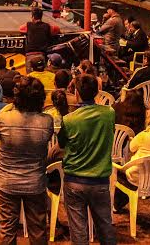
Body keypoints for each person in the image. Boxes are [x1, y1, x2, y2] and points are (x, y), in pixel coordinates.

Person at [0, 75, 55, 244]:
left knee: (7, 231)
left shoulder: (4, 117)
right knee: (38, 231)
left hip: (7, 182)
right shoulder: (46, 121)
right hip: (35, 183)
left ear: (16, 97)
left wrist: (13, 105)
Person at [58, 74, 116, 245]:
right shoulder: (109, 113)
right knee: (106, 226)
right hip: (100, 181)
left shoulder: (69, 119)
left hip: (74, 180)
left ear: (76, 93)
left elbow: (61, 143)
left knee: (79, 231)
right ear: (97, 92)